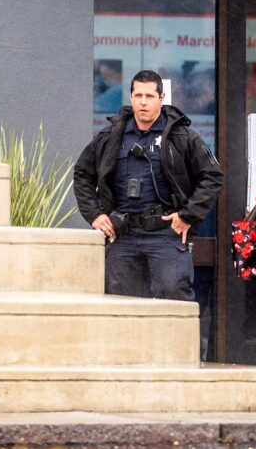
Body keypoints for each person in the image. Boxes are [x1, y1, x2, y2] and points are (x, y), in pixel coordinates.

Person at [74, 69, 223, 301]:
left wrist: (188, 216)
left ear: (161, 99)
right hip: (122, 234)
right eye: (139, 95)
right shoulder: (111, 135)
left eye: (150, 96)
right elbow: (82, 173)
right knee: (120, 305)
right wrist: (94, 214)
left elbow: (213, 176)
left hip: (164, 233)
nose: (144, 102)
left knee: (173, 299)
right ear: (131, 97)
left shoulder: (181, 137)